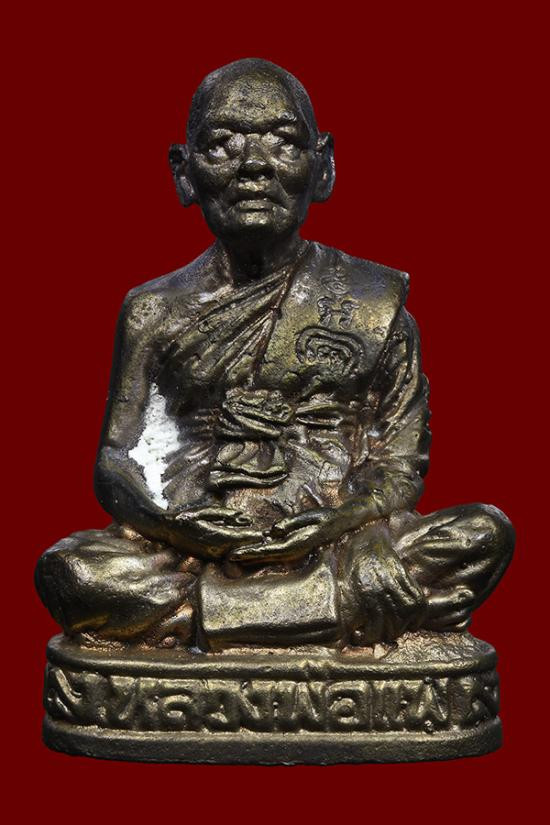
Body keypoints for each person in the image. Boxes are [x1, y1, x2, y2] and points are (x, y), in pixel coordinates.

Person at [35, 59, 514, 650]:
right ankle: (324, 612)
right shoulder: (153, 310)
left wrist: (334, 522)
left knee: (482, 533)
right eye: (223, 144)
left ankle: (210, 619)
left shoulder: (371, 304)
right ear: (184, 173)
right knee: (72, 571)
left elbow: (398, 464)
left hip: (333, 539)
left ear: (323, 165)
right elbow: (119, 460)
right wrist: (175, 526)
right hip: (195, 546)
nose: (254, 165)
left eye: (284, 142)